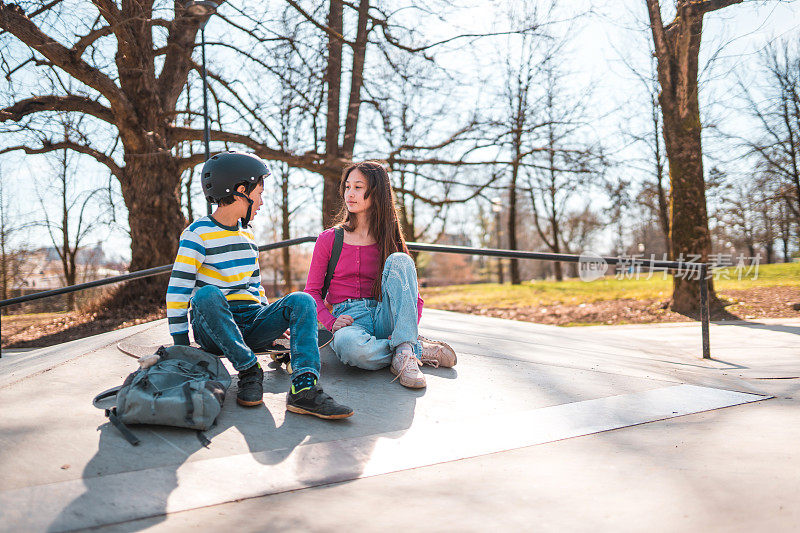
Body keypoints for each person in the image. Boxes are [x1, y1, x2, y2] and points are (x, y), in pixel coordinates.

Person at [166, 151, 353, 419]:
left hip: (251, 322)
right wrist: (181, 343)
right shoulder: (197, 234)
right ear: (241, 190)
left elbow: (255, 286)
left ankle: (304, 388)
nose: (262, 202)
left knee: (302, 300)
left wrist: (275, 322)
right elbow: (178, 290)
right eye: (260, 194)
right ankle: (249, 369)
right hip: (214, 326)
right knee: (207, 295)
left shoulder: (248, 234)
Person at [305, 160, 456, 389]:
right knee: (350, 349)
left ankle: (405, 348)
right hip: (351, 320)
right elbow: (311, 292)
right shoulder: (328, 239)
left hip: (387, 314)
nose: (350, 194)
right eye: (347, 187)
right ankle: (411, 349)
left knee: (401, 260)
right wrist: (331, 321)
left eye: (358, 187)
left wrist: (407, 326)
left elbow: (413, 298)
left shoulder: (390, 238)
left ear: (376, 192)